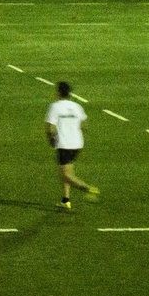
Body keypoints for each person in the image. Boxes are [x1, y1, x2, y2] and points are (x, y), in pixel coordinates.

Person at [46, 81, 99, 209]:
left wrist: (51, 139)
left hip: (64, 144)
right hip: (77, 144)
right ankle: (66, 200)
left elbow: (50, 128)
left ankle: (87, 188)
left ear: (58, 92)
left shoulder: (54, 107)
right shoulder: (77, 106)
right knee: (68, 171)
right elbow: (83, 125)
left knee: (65, 175)